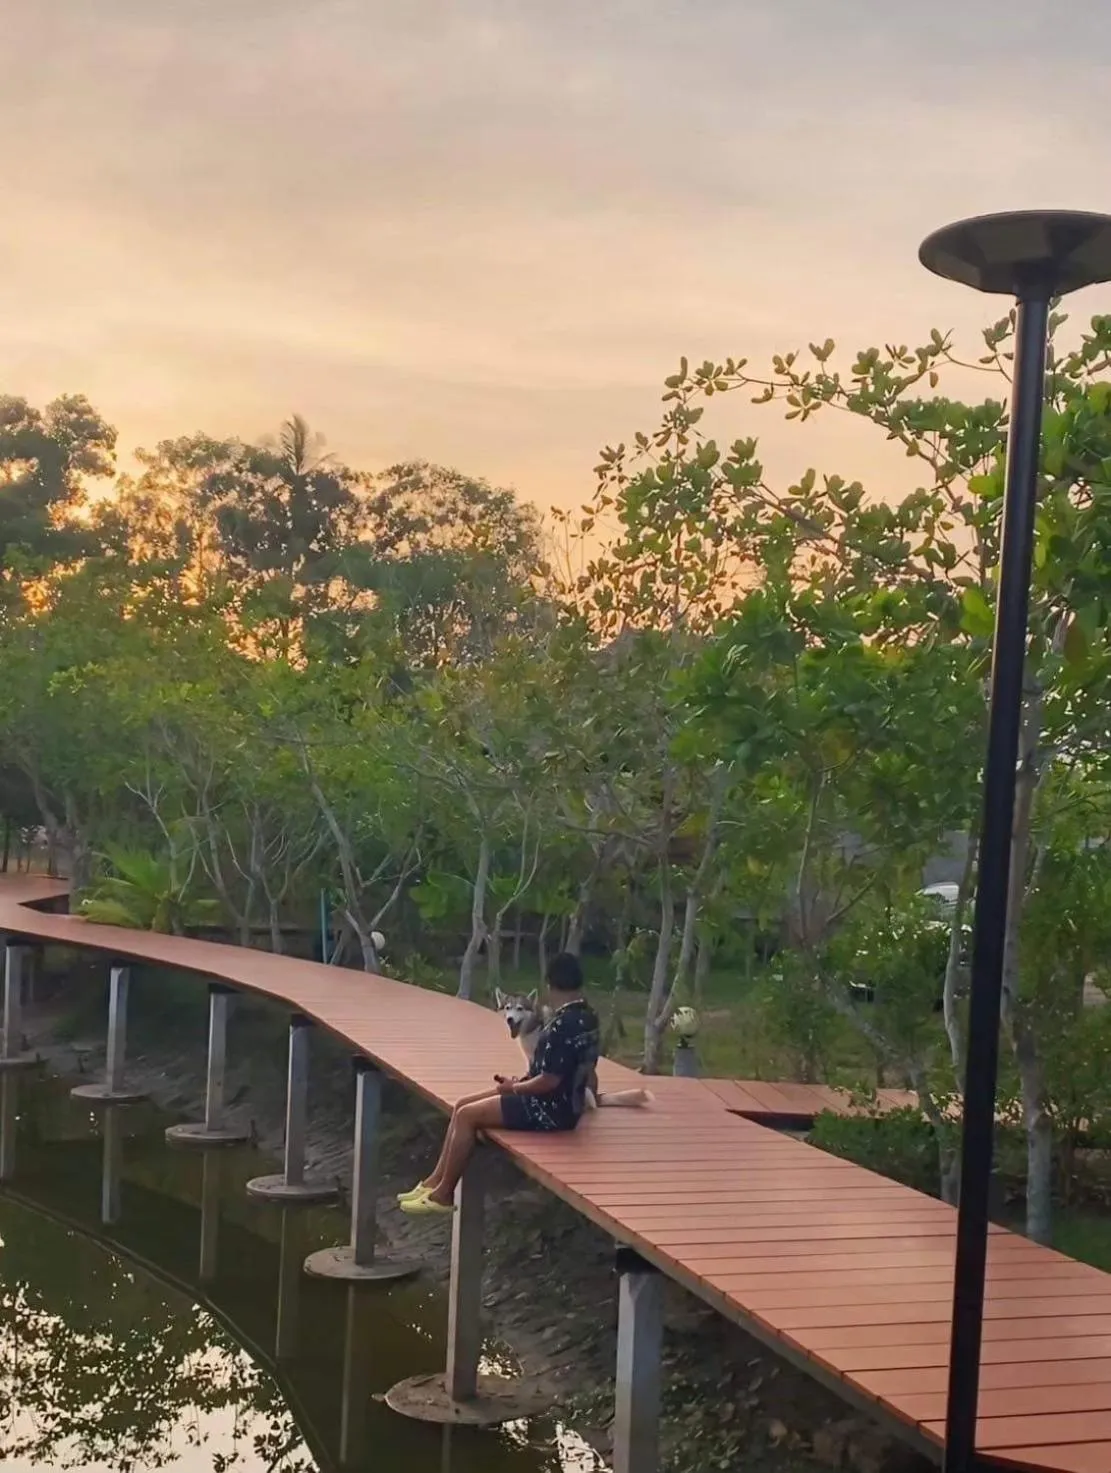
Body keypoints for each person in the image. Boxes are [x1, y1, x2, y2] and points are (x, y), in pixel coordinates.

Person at [398, 953, 600, 1216]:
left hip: (549, 1109)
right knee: (462, 1105)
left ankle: (444, 1195)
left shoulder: (562, 1025)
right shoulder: (589, 1017)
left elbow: (549, 1081)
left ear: (550, 985)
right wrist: (518, 1083)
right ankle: (432, 1183)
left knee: (468, 1116)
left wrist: (515, 1088)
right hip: (566, 1105)